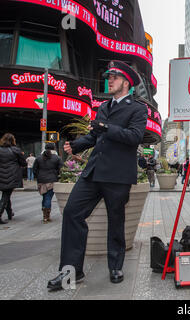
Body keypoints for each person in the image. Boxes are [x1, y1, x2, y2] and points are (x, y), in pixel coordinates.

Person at [47, 60, 147, 291]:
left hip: (118, 175)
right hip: (93, 172)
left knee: (116, 220)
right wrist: (77, 145)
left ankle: (115, 266)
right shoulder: (103, 107)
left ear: (126, 82)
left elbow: (134, 137)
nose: (109, 80)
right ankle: (71, 271)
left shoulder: (137, 108)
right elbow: (94, 136)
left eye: (114, 76)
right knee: (72, 212)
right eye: (108, 76)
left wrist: (106, 128)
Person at [33, 143, 63, 223]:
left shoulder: (39, 158)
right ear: (54, 149)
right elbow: (61, 169)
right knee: (48, 197)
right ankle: (46, 216)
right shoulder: (57, 158)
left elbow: (34, 170)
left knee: (45, 196)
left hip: (41, 180)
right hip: (52, 180)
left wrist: (38, 176)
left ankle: (45, 214)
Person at [0, 133, 26, 224]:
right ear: (13, 140)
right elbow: (23, 163)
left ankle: (10, 213)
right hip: (11, 175)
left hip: (1, 176)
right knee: (6, 195)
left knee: (6, 194)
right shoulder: (16, 150)